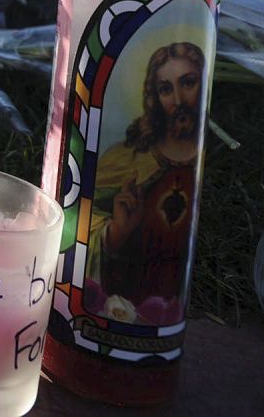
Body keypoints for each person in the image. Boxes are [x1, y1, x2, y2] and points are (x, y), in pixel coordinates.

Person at [86, 42, 206, 323]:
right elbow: (75, 218)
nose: (178, 100)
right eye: (166, 89)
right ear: (155, 98)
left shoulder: (206, 161)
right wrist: (116, 231)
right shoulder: (126, 160)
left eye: (188, 83)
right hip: (125, 305)